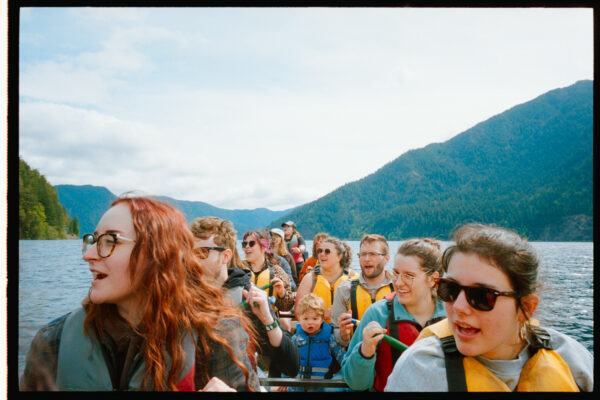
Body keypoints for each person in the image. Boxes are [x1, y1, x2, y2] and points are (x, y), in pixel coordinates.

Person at [20, 196, 259, 391]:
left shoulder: (216, 335)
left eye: (109, 240)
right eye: (93, 240)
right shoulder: (53, 342)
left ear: (157, 256)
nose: (89, 254)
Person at [385, 224, 594, 392]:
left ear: (526, 308)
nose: (458, 307)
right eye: (450, 289)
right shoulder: (421, 367)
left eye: (481, 296)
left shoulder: (573, 361)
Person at [189, 217, 300, 384]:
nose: (193, 260)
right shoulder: (181, 297)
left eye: (203, 252)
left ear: (225, 256)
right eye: (189, 253)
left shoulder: (246, 296)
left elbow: (291, 366)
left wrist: (268, 320)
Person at [341, 238, 446, 392]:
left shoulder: (452, 314)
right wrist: (366, 350)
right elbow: (356, 383)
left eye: (409, 275)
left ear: (432, 279)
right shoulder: (378, 313)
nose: (398, 282)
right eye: (396, 273)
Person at [332, 234, 395, 348]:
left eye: (373, 254)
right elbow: (340, 339)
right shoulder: (344, 289)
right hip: (358, 356)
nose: (366, 259)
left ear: (386, 259)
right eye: (363, 254)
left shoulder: (399, 288)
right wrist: (344, 334)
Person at [288, 293, 347, 392]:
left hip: (321, 386)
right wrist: (286, 379)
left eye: (315, 319)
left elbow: (343, 359)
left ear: (322, 319)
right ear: (299, 318)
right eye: (305, 318)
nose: (310, 322)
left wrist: (349, 372)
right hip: (297, 385)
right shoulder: (295, 339)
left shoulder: (329, 338)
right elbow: (287, 361)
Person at [295, 236, 355, 325]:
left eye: (327, 251)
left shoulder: (352, 278)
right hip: (318, 333)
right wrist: (322, 316)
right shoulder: (310, 279)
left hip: (346, 331)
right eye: (320, 251)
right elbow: (298, 313)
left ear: (339, 256)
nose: (322, 254)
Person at [241, 229, 295, 313]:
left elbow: (287, 307)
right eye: (244, 244)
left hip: (268, 321)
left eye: (251, 243)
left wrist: (282, 294)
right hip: (243, 322)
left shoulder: (277, 271)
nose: (247, 247)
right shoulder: (238, 268)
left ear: (263, 247)